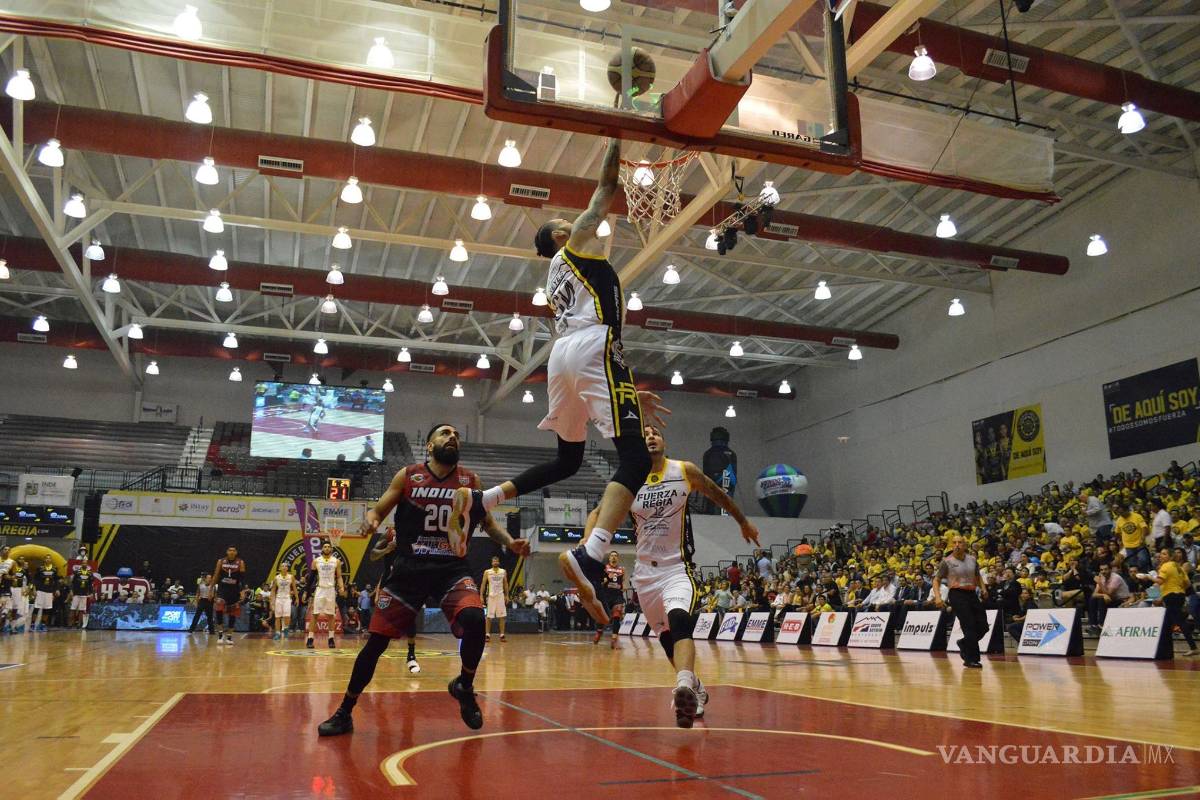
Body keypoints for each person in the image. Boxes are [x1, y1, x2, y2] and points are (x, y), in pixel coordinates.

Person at [448, 131, 669, 628]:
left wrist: (629, 386)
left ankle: (486, 499)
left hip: (564, 356)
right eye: (567, 225)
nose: (577, 223)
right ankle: (591, 553)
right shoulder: (578, 247)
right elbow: (604, 189)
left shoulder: (556, 276)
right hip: (592, 347)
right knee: (635, 456)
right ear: (559, 238)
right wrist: (615, 135)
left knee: (569, 458)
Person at [318, 423, 530, 737]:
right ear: (429, 446)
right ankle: (345, 711)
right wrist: (371, 520)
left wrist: (509, 541)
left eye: (457, 434)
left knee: (474, 617)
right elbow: (379, 510)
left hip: (451, 569)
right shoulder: (408, 476)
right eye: (445, 433)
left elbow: (487, 523)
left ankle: (464, 686)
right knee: (376, 643)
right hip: (408, 569)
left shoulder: (471, 481)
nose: (453, 437)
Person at [598, 423, 759, 728]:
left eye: (655, 432)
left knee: (680, 619)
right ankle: (695, 687)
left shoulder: (683, 470)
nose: (650, 436)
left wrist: (742, 521)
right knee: (669, 641)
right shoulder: (629, 482)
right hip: (645, 575)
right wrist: (589, 543)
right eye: (644, 433)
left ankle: (682, 687)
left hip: (677, 568)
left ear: (664, 441)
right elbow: (603, 511)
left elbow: (717, 493)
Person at [932, 535, 989, 669]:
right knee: (968, 625)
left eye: (960, 542)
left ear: (965, 545)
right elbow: (936, 580)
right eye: (954, 542)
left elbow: (977, 575)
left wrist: (983, 588)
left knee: (983, 626)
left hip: (972, 594)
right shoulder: (947, 561)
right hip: (957, 594)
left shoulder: (972, 559)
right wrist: (938, 597)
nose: (957, 544)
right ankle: (971, 659)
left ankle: (963, 643)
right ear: (952, 545)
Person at [1149, 548, 1198, 656]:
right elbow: (1188, 584)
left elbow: (1159, 581)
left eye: (1164, 554)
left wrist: (1148, 577)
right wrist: (1178, 589)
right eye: (1161, 554)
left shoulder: (1165, 566)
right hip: (1179, 595)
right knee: (1166, 622)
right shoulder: (1178, 567)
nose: (1161, 556)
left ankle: (1193, 647)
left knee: (1179, 622)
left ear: (1170, 557)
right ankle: (1165, 650)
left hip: (1171, 596)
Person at [307, 541, 345, 649]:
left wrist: (342, 587)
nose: (327, 548)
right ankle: (310, 639)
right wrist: (307, 591)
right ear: (322, 549)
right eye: (325, 546)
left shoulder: (336, 561)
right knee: (315, 614)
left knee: (330, 615)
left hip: (330, 590)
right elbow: (311, 578)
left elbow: (339, 577)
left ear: (331, 549)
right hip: (320, 589)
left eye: (329, 547)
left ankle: (331, 639)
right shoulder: (316, 561)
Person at [210, 546, 245, 645]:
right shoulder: (221, 561)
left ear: (236, 552)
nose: (232, 552)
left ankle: (229, 636)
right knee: (219, 609)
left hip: (234, 590)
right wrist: (211, 589)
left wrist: (242, 591)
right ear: (227, 552)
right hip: (222, 589)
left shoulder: (240, 562)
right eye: (230, 550)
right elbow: (216, 575)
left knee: (232, 613)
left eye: (234, 550)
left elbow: (242, 579)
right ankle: (220, 635)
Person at [1087, 563, 1130, 631]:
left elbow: (1109, 594)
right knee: (1093, 599)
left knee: (1102, 600)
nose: (1103, 571)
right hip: (1111, 598)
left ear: (1110, 569)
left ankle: (1102, 624)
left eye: (1105, 569)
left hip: (1122, 600)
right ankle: (1093, 624)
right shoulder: (1101, 577)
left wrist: (1100, 583)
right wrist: (1104, 595)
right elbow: (1094, 594)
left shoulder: (1116, 578)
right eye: (1101, 570)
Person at [596, 551, 626, 648]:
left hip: (617, 596)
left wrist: (623, 586)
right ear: (609, 559)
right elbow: (600, 582)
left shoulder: (622, 569)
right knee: (602, 616)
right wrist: (605, 580)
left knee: (617, 615)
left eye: (615, 556)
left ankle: (614, 639)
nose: (614, 557)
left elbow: (623, 582)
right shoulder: (605, 568)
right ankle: (599, 632)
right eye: (612, 556)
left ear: (618, 558)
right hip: (606, 595)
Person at [1114, 501, 1150, 572]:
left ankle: (1145, 574)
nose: (1121, 514)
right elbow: (1117, 532)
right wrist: (1120, 540)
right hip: (1128, 546)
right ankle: (1136, 577)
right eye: (1119, 513)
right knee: (1132, 564)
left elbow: (1144, 528)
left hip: (1139, 544)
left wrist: (1142, 538)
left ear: (1127, 510)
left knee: (1144, 560)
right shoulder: (1119, 520)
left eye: (1122, 512)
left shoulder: (1137, 516)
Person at [481, 556, 508, 643]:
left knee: (502, 616)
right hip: (491, 596)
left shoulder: (503, 571)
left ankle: (502, 635)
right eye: (494, 561)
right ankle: (487, 635)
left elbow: (506, 584)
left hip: (500, 595)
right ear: (491, 563)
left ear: (499, 562)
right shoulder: (487, 572)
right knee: (489, 617)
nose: (495, 562)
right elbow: (483, 584)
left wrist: (507, 595)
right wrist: (481, 595)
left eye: (496, 561)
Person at [270, 564, 297, 641]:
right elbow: (273, 590)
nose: (284, 567)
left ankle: (286, 629)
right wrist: (272, 601)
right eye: (282, 566)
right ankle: (278, 633)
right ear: (280, 568)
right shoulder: (276, 578)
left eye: (286, 566)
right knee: (277, 617)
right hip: (279, 598)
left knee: (287, 616)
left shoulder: (291, 577)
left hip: (287, 598)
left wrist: (297, 598)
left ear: (287, 568)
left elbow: (294, 588)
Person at [31, 557, 59, 632]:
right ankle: (32, 624)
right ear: (44, 560)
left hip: (49, 591)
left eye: (49, 558)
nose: (48, 559)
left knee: (47, 608)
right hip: (40, 590)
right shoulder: (40, 568)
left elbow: (56, 580)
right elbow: (35, 579)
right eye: (46, 558)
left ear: (51, 560)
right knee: (37, 607)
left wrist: (56, 589)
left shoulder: (54, 569)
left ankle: (43, 625)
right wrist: (34, 589)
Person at [67, 563, 95, 630]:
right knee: (72, 609)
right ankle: (70, 624)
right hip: (76, 594)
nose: (84, 564)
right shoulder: (77, 572)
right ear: (81, 564)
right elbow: (72, 583)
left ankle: (79, 625)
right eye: (83, 563)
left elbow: (90, 585)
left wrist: (91, 593)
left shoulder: (90, 573)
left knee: (81, 610)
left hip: (84, 594)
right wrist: (71, 590)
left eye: (85, 563)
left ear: (87, 565)